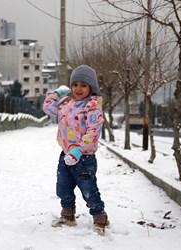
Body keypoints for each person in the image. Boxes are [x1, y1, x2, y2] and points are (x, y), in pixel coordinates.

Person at [43, 64, 109, 235]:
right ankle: (68, 215)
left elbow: (93, 131)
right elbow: (48, 107)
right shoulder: (66, 102)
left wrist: (79, 150)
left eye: (83, 85)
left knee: (88, 190)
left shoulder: (92, 106)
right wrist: (57, 94)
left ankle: (100, 218)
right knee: (62, 187)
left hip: (84, 158)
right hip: (65, 154)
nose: (78, 88)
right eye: (75, 84)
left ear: (91, 87)